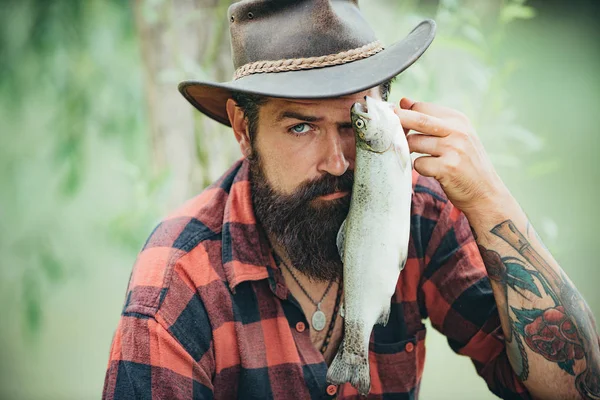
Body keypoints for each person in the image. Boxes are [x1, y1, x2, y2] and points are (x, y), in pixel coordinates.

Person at [102, 1, 600, 399]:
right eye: (301, 127)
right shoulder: (178, 278)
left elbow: (576, 388)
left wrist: (490, 199)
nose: (338, 162)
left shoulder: (420, 212)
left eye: (351, 126)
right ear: (242, 128)